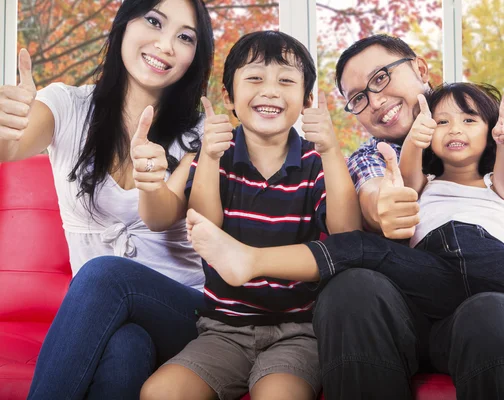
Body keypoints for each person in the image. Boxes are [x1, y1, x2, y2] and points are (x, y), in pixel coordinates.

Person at [179, 35, 504, 400]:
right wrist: (385, 206)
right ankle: (249, 261)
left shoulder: (488, 125)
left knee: (488, 312)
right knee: (351, 286)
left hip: (498, 305)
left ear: (419, 68)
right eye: (359, 98)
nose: (376, 101)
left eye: (381, 78)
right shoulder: (371, 155)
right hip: (410, 309)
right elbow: (374, 193)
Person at [0, 0, 214, 398]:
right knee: (125, 349)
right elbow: (11, 147)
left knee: (102, 274)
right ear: (123, 24)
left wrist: (153, 184)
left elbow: (163, 216)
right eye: (153, 21)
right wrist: (6, 124)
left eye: (185, 37)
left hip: (186, 313)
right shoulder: (67, 105)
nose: (166, 44)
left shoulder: (198, 134)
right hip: (110, 318)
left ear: (194, 57)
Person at [139, 30, 361, 400]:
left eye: (286, 81)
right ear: (229, 97)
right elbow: (205, 229)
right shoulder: (214, 156)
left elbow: (347, 234)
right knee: (160, 393)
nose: (271, 90)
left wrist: (332, 149)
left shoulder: (314, 162)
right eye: (255, 78)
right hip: (222, 329)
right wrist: (209, 158)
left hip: (298, 331)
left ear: (306, 100)